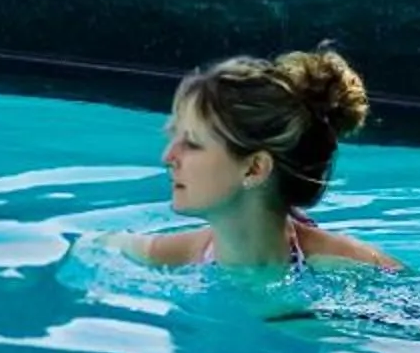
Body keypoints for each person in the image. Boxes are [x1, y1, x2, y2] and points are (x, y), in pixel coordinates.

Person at [136, 47, 404, 273]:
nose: (168, 157)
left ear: (254, 169)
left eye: (192, 143)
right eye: (174, 138)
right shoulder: (175, 255)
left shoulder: (353, 268)